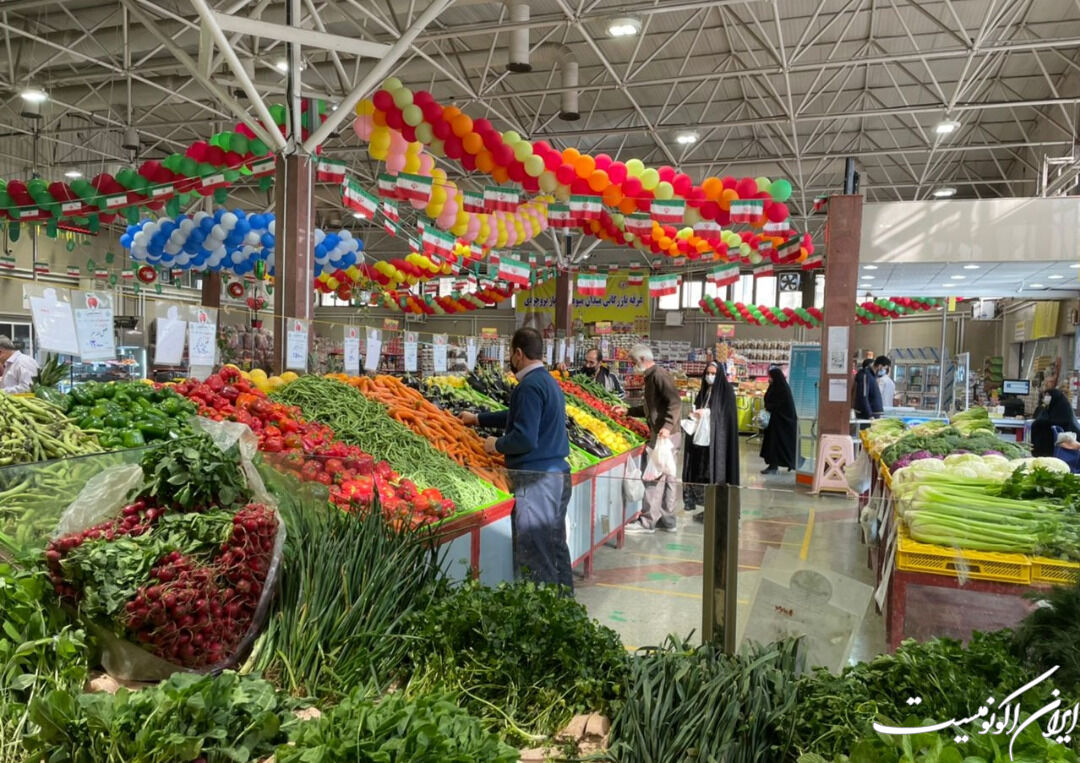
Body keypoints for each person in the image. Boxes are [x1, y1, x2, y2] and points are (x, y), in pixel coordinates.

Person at [459, 327, 573, 589]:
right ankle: (564, 601)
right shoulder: (546, 381)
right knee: (555, 546)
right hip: (556, 475)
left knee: (536, 552)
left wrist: (496, 445)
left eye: (511, 354)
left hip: (536, 481)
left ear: (518, 353)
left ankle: (542, 607)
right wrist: (478, 419)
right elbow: (518, 416)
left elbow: (524, 438)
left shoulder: (529, 387)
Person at [618, 344, 683, 534]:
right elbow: (652, 408)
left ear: (642, 359)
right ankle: (668, 520)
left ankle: (647, 522)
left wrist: (666, 426)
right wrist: (628, 411)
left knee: (653, 477)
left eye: (633, 362)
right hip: (667, 433)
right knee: (668, 476)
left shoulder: (658, 375)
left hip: (664, 435)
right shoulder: (651, 376)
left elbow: (675, 402)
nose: (632, 366)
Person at [682, 361, 740, 523]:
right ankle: (708, 509)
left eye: (713, 373)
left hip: (719, 445)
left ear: (719, 374)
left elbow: (724, 416)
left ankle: (719, 511)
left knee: (717, 474)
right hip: (703, 443)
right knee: (703, 476)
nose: (710, 376)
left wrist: (707, 413)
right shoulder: (705, 391)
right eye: (707, 373)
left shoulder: (726, 392)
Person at [759, 366, 798, 474]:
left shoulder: (782, 389)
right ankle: (775, 465)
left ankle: (775, 466)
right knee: (775, 445)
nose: (769, 379)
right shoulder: (775, 387)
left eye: (771, 377)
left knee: (777, 445)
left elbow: (781, 405)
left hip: (782, 423)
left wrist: (770, 406)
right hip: (775, 422)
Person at [1031, 384, 1080, 457]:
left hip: (1068, 437)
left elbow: (1062, 421)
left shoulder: (1063, 406)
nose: (1045, 398)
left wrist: (1041, 423)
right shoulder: (1049, 406)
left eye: (1048, 396)